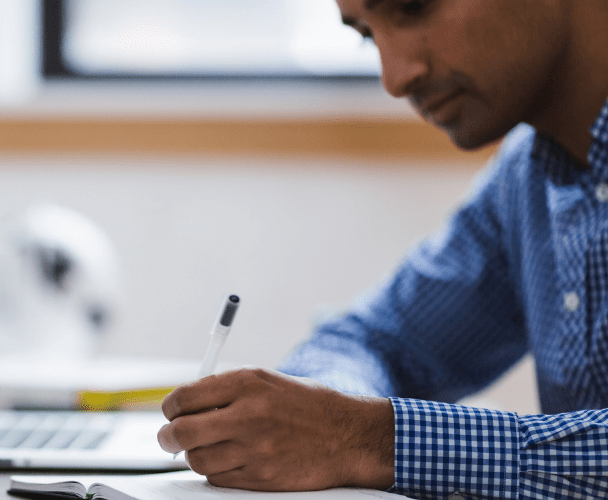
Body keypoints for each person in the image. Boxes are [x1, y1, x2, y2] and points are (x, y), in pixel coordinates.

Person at [156, 1, 608, 498]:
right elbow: (372, 341)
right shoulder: (527, 176)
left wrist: (368, 439)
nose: (394, 78)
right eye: (367, 35)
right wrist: (320, 418)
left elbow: (360, 430)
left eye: (412, 8)